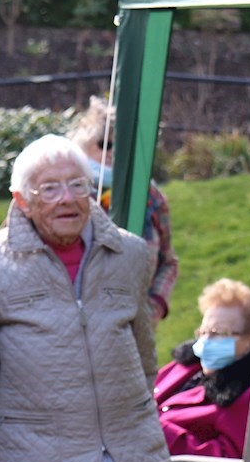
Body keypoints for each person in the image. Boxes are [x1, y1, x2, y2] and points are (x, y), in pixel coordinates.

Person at [0, 133, 168, 462]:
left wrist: (138, 430)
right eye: (50, 189)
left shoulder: (129, 254)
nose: (68, 198)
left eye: (77, 185)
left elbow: (143, 357)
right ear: (22, 201)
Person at [150, 279, 250, 462]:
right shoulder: (186, 366)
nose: (205, 341)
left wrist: (156, 430)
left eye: (218, 333)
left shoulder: (248, 389)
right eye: (203, 331)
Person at [69, 95, 179, 326]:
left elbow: (168, 262)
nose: (113, 152)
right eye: (104, 144)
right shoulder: (68, 195)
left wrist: (155, 306)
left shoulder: (151, 196)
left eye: (121, 144)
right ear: (84, 146)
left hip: (136, 324)